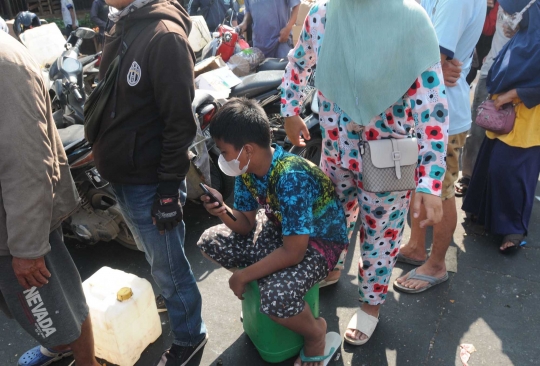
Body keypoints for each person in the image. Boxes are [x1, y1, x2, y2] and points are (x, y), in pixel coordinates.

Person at [282, 0, 448, 345]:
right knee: (331, 216)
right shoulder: (325, 14)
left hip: (389, 152)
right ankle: (330, 267)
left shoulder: (411, 20)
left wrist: (430, 181)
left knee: (381, 233)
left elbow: (432, 108)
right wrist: (289, 108)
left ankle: (370, 305)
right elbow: (299, 62)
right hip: (337, 145)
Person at [92, 0, 207, 364]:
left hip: (149, 183)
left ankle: (191, 336)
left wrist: (169, 192)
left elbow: (180, 126)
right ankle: (175, 304)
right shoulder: (124, 23)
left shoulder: (165, 37)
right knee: (157, 259)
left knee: (170, 268)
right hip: (124, 176)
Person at [198, 98, 348, 365]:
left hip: (320, 240)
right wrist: (222, 209)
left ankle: (315, 333)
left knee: (277, 297)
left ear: (247, 149)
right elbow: (245, 224)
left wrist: (243, 275)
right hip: (282, 228)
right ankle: (267, 300)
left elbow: (294, 251)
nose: (223, 158)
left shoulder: (290, 176)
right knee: (211, 240)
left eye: (224, 151)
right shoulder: (246, 169)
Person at [0, 31, 100, 366]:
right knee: (40, 312)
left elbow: (27, 164)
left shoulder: (4, 64)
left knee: (59, 306)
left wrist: (27, 249)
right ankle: (57, 347)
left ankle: (85, 361)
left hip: (17, 231)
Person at [395, 0, 485, 294]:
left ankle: (436, 264)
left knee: (440, 191)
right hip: (427, 110)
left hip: (442, 116)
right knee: (421, 184)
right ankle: (417, 247)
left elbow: (433, 54)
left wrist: (428, 61)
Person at [463, 0, 540, 253]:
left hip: (527, 119)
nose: (506, 17)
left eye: (511, 13)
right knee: (490, 165)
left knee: (511, 173)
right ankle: (487, 217)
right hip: (502, 114)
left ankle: (513, 230)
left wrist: (512, 94)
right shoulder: (525, 36)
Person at [457, 0, 529, 197]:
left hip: (519, 75)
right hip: (491, 70)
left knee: (508, 133)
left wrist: (524, 31)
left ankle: (491, 183)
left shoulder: (532, 7)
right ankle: (469, 176)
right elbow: (486, 30)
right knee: (479, 126)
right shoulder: (496, 4)